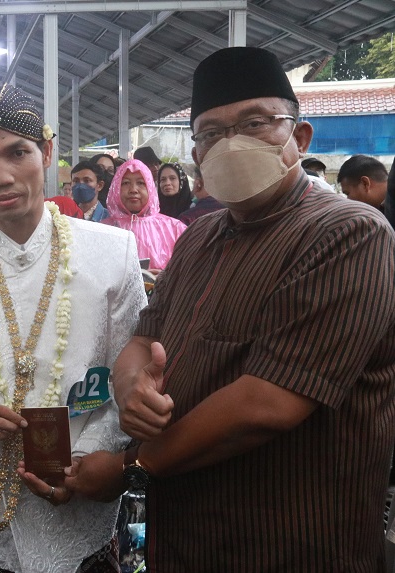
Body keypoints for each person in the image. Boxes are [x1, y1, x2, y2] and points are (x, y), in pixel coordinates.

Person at [65, 46, 395, 572]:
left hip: (291, 538)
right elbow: (142, 337)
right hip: (188, 534)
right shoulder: (199, 236)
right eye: (212, 133)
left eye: (255, 123)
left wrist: (131, 467)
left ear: (299, 136)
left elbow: (268, 403)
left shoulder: (348, 233)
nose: (231, 143)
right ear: (197, 152)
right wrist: (131, 390)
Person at [0, 84, 146, 573]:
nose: (2, 176)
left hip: (83, 503)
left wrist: (85, 458)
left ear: (47, 151)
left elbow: (131, 376)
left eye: (19, 152)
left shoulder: (111, 253)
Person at [101, 159, 187, 273]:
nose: (133, 190)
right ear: (116, 188)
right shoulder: (102, 230)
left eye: (141, 183)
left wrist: (165, 278)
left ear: (150, 187)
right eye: (125, 183)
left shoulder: (175, 229)